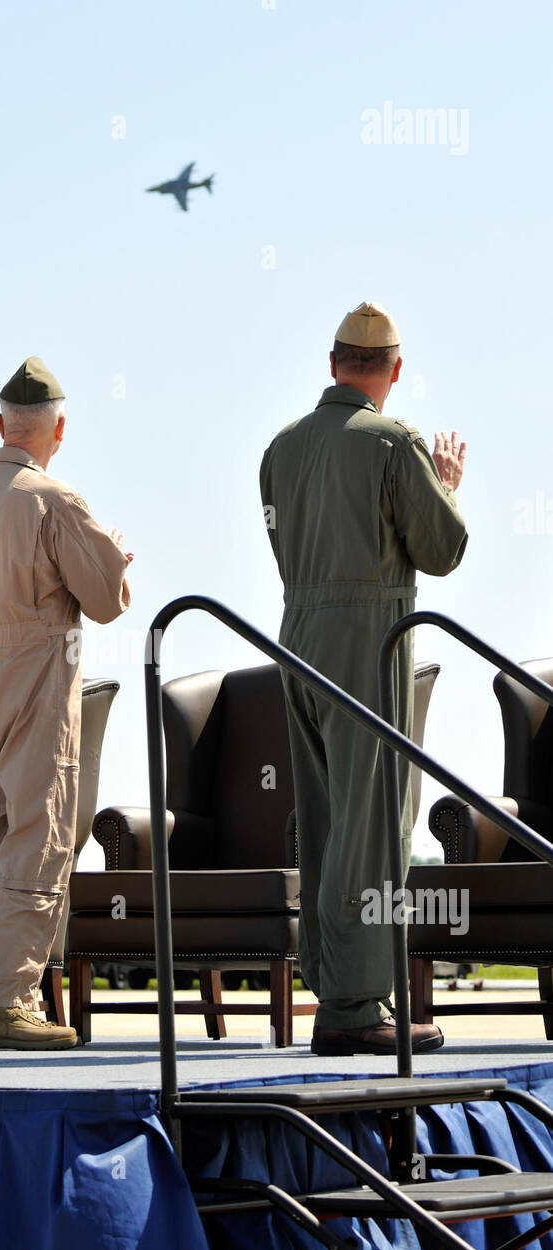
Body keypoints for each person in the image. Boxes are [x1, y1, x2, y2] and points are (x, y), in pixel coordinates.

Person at [259, 302, 467, 1055]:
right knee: (375, 822)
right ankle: (354, 1006)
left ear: (332, 363)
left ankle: (332, 984)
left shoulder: (280, 447)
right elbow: (441, 550)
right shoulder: (392, 442)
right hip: (365, 637)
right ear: (396, 371)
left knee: (322, 818)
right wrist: (443, 485)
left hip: (298, 634)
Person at [0, 357, 131, 1050]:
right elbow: (105, 603)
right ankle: (8, 999)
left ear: (0, 425)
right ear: (59, 430)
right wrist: (114, 559)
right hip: (37, 685)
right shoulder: (56, 501)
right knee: (40, 835)